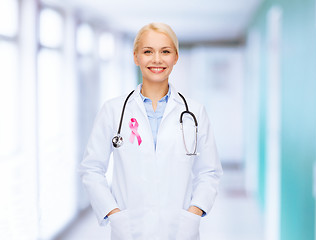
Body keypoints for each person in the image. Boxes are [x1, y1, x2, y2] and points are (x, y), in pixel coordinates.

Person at [80, 22, 223, 240]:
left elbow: (209, 172)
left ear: (176, 57)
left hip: (180, 230)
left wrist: (194, 214)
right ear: (136, 57)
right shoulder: (113, 110)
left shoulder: (194, 112)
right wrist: (113, 213)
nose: (157, 59)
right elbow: (91, 169)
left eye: (165, 51)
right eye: (148, 51)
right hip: (129, 230)